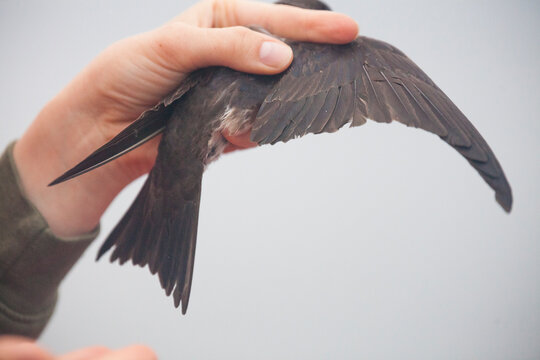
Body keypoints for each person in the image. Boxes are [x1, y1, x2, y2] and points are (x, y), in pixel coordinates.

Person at [0, 0, 357, 358]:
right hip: (196, 131)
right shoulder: (280, 53)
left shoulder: (246, 42)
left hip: (187, 128)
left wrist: (95, 125)